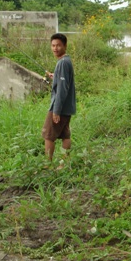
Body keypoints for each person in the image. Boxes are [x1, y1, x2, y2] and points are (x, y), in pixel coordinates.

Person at [42, 33, 76, 167]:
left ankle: (47, 165)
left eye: (58, 45)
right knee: (65, 135)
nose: (55, 48)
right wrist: (55, 76)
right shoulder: (66, 61)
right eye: (53, 45)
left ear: (65, 46)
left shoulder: (62, 63)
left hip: (60, 107)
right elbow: (63, 81)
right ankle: (63, 164)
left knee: (48, 135)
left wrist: (56, 110)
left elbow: (62, 89)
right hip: (67, 107)